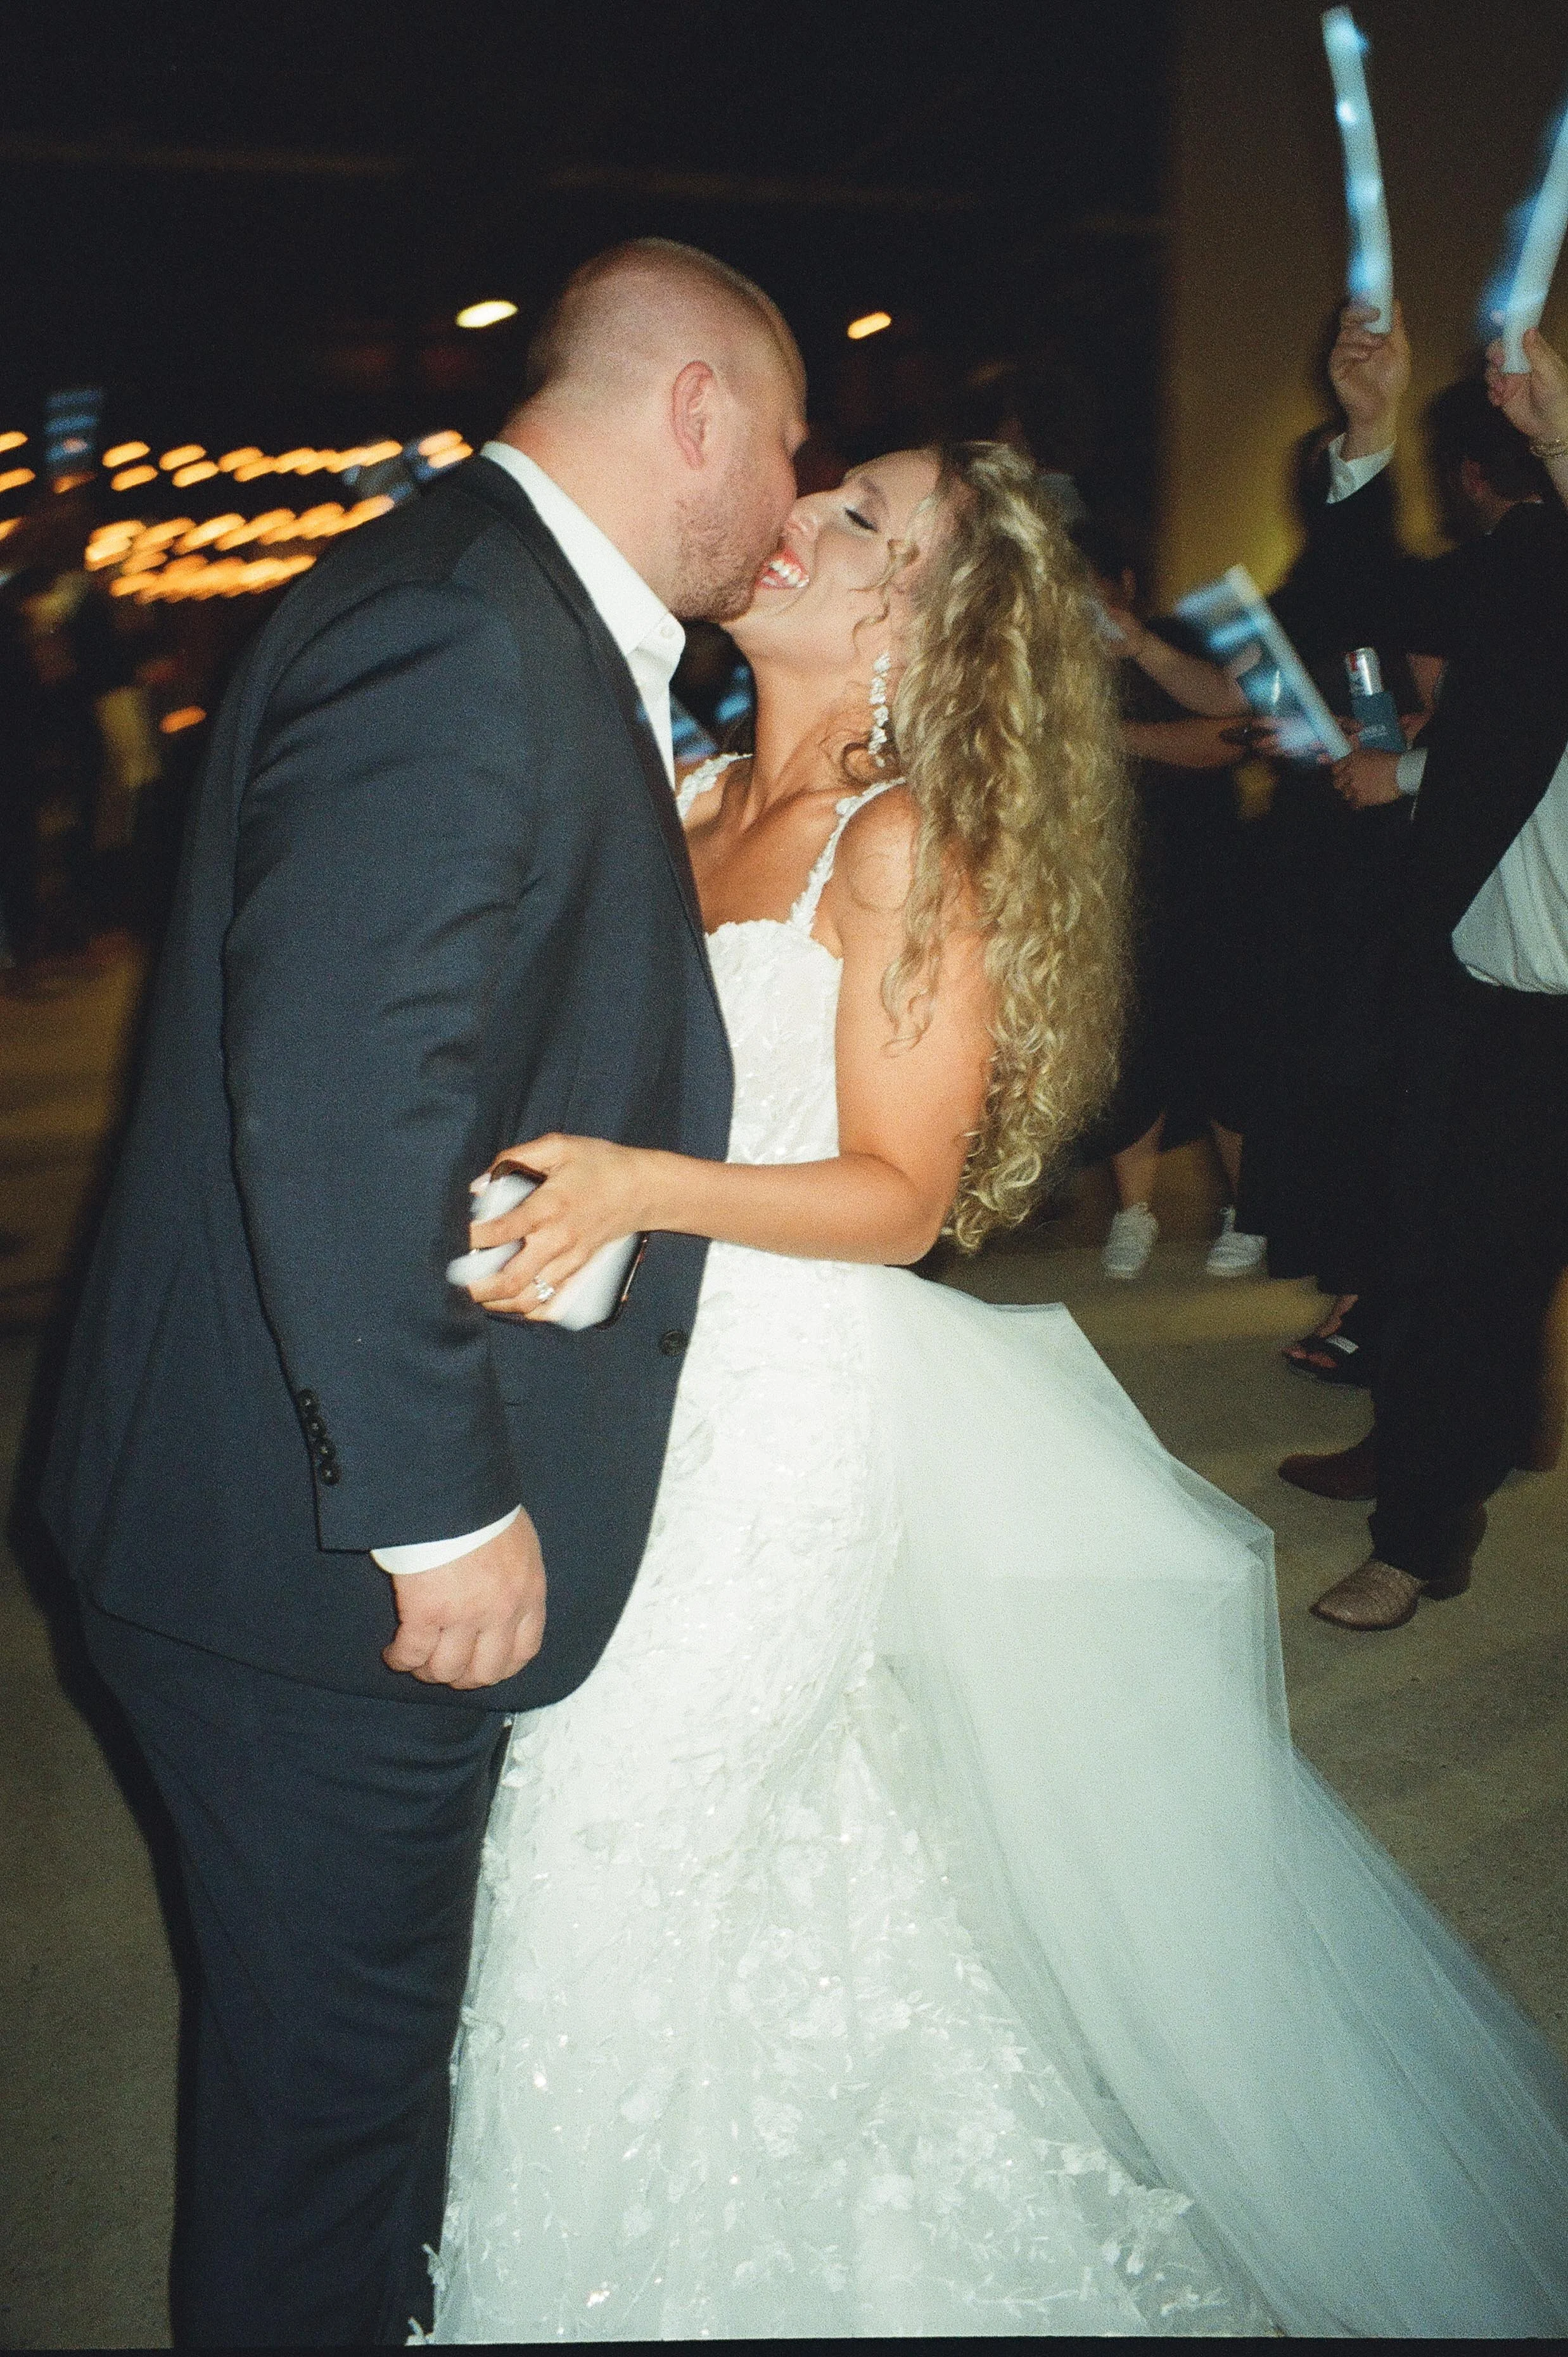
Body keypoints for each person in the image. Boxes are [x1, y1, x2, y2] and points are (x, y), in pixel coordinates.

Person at [427, 441, 1568, 2340]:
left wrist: (643, 1188)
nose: (805, 515)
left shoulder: (899, 844)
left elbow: (899, 1196)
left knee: (599, 1825)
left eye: (865, 516)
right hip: (626, 1389)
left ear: (926, 619)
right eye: (833, 487)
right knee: (758, 1855)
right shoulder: (689, 787)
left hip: (782, 1414)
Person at [39, 238, 808, 2347]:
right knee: (329, 2135)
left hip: (259, 1522)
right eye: (791, 443)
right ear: (697, 412)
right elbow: (341, 1081)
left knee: (330, 2087)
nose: (791, 496)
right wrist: (431, 1501)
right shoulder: (473, 627)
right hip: (308, 1576)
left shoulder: (485, 600)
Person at [1270, 307, 1568, 1631]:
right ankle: (1420, 1533)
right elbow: (1364, 602)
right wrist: (1371, 433)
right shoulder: (1527, 561)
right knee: (1453, 1266)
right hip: (1506, 996)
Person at [1071, 520, 1261, 1284]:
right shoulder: (1058, 659)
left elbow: (1233, 734)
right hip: (1115, 878)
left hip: (1209, 875)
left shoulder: (1184, 636)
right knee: (1126, 1050)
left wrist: (1122, 734)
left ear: (1125, 583)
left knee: (1222, 1048)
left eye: (1092, 586)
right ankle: (1134, 1213)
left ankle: (1248, 1212)